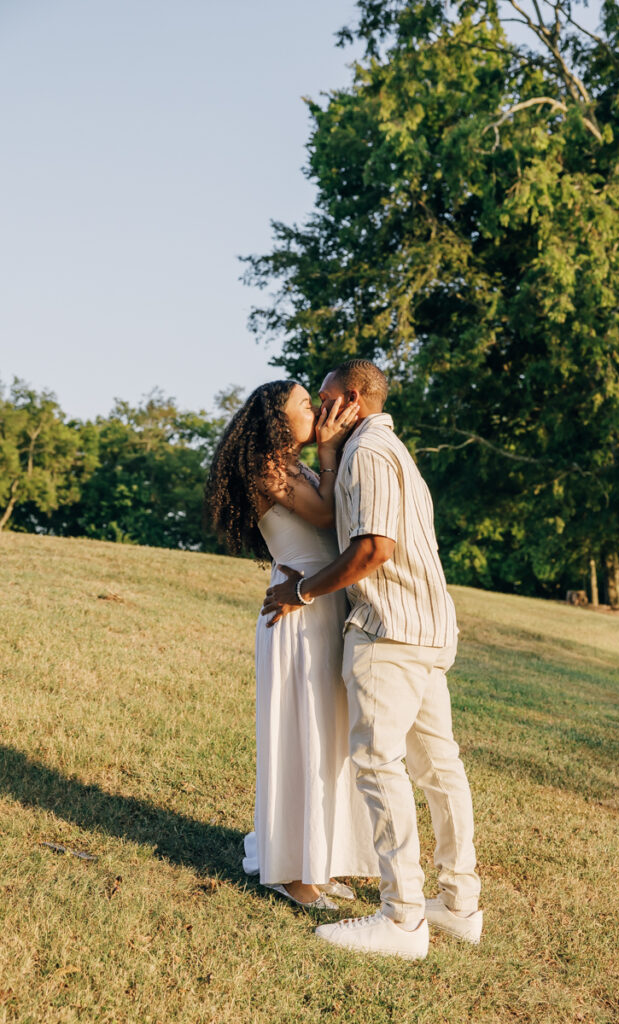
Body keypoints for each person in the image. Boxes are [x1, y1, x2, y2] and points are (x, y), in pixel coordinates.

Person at [261, 359, 482, 958]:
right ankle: (459, 904)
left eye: (326, 397)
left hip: (391, 632)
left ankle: (403, 917)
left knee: (379, 764)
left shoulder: (366, 454)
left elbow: (375, 549)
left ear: (353, 400)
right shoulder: (393, 451)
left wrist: (303, 591)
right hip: (428, 627)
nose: (319, 409)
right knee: (439, 767)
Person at [205, 380, 379, 910]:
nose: (318, 410)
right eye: (307, 404)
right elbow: (326, 517)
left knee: (326, 738)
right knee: (299, 738)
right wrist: (329, 450)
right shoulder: (267, 467)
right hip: (295, 611)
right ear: (278, 420)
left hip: (322, 607)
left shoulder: (294, 467)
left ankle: (318, 859)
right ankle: (292, 872)